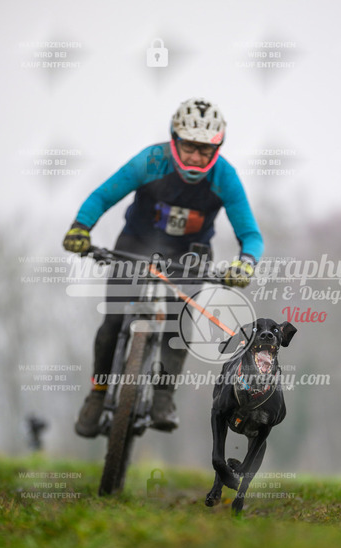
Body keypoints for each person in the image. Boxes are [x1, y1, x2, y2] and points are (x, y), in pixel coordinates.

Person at [63, 97, 264, 437]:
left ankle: (163, 396)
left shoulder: (225, 177)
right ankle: (97, 393)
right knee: (112, 321)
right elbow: (102, 196)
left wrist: (245, 263)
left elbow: (251, 235)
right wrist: (81, 228)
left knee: (179, 323)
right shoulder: (151, 160)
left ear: (217, 148)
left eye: (205, 150)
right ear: (174, 139)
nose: (196, 157)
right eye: (189, 147)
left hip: (190, 255)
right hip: (136, 245)